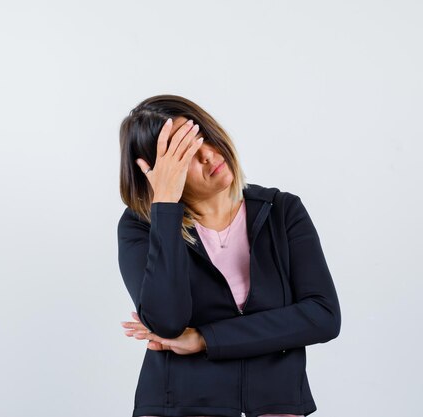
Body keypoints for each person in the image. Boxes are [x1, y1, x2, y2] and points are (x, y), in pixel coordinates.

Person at [117, 94, 341, 417]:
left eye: (203, 136)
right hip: (179, 407)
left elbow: (323, 316)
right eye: (186, 155)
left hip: (277, 406)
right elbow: (167, 322)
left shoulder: (281, 211)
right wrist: (165, 205)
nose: (209, 155)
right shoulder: (142, 227)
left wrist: (205, 339)